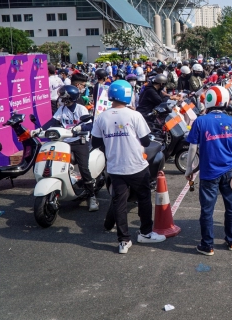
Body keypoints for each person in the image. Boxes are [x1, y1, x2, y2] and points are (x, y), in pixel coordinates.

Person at [91, 80, 166, 253]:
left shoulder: (102, 116)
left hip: (115, 167)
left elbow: (95, 141)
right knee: (144, 199)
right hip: (136, 165)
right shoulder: (134, 115)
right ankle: (145, 233)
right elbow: (146, 140)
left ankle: (123, 240)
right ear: (128, 95)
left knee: (119, 203)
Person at [185, 86, 232, 255]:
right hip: (229, 171)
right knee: (231, 206)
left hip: (209, 172)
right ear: (226, 101)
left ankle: (207, 244)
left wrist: (189, 169)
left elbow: (192, 148)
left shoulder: (200, 121)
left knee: (207, 210)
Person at [32, 85, 98, 212]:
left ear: (70, 98)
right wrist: (40, 129)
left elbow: (90, 124)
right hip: (64, 141)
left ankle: (92, 196)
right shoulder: (62, 109)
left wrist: (80, 128)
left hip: (79, 141)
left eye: (64, 98)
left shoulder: (81, 109)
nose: (61, 100)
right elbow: (52, 121)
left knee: (84, 169)